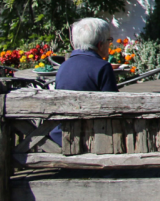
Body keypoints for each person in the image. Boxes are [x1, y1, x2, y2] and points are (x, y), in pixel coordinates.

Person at [50, 17, 118, 145]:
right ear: (100, 44)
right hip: (88, 139)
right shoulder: (102, 67)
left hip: (60, 135)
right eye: (109, 40)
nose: (110, 44)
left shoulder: (64, 66)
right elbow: (113, 108)